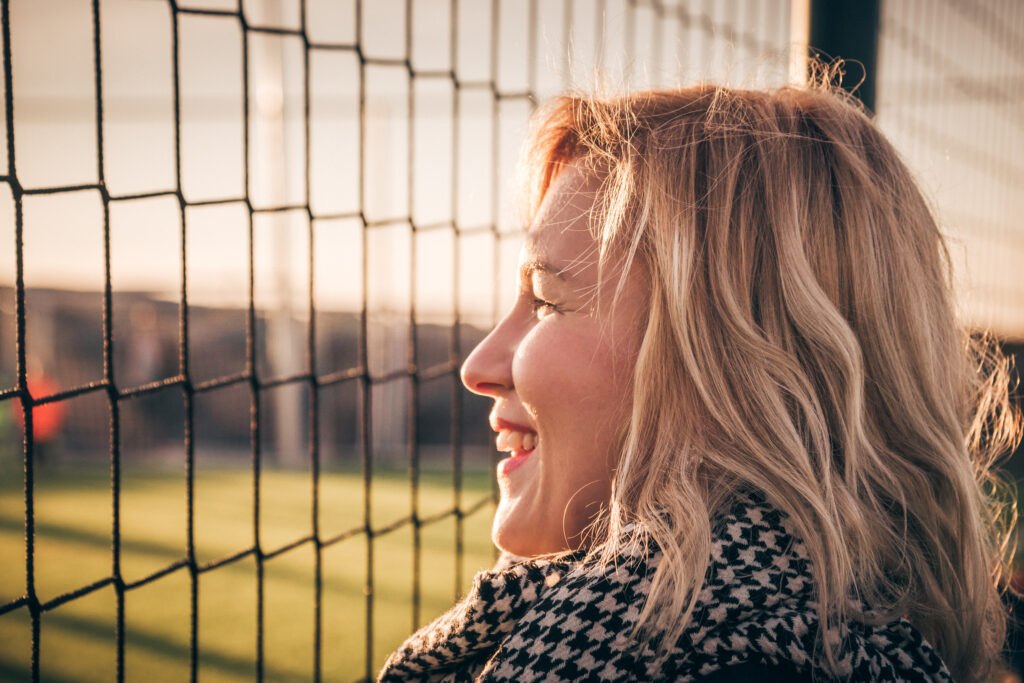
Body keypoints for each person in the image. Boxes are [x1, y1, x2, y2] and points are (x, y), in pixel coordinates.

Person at [378, 81, 1020, 682]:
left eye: (546, 301)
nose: (479, 367)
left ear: (730, 363)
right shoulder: (838, 619)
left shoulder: (699, 653)